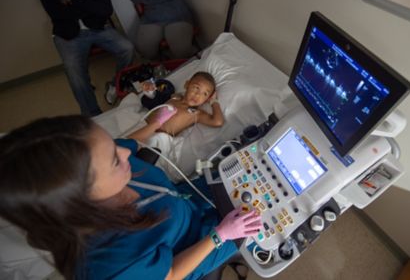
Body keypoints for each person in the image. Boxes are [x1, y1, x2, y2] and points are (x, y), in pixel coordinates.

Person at [0, 114, 262, 279]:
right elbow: (169, 274)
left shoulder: (96, 157)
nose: (124, 154)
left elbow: (128, 145)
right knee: (266, 220)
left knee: (250, 173)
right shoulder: (110, 262)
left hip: (187, 202)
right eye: (115, 160)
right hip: (195, 246)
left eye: (112, 145)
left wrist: (155, 124)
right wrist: (220, 235)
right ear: (82, 202)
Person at [35, 0, 135, 116]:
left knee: (128, 48)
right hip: (67, 32)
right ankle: (93, 114)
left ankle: (115, 84)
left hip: (98, 27)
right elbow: (55, 12)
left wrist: (74, 3)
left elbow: (106, 9)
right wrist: (88, 5)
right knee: (74, 70)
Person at [145, 72, 223, 136]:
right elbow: (157, 100)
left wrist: (214, 101)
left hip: (157, 138)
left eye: (205, 94)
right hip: (144, 125)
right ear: (187, 85)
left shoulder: (197, 114)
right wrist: (150, 91)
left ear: (206, 100)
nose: (198, 95)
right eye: (196, 88)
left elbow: (217, 122)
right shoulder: (176, 97)